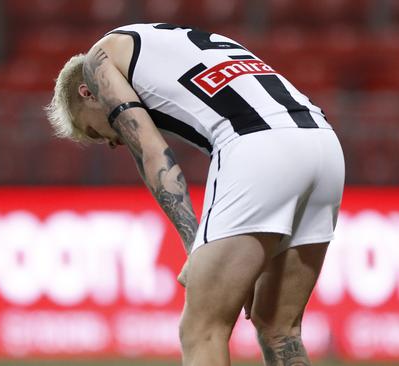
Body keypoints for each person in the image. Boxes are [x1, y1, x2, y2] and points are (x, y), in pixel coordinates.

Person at [45, 23, 345, 366]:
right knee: (280, 329)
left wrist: (196, 247)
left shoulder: (97, 61)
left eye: (92, 131)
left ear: (87, 92)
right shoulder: (168, 40)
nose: (109, 142)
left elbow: (152, 151)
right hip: (323, 143)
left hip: (259, 144)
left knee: (201, 329)